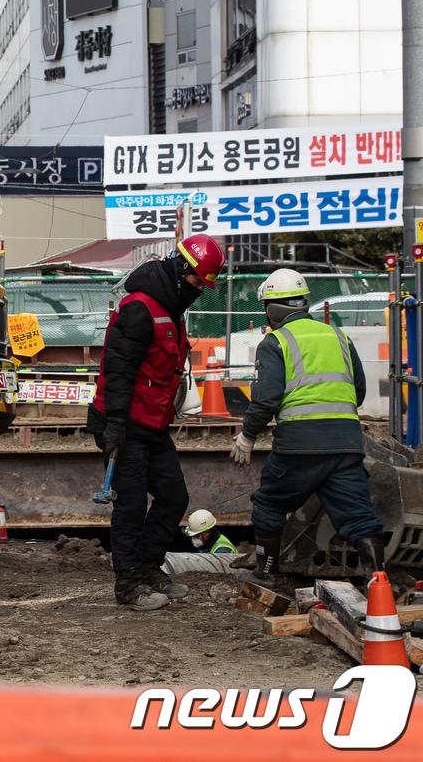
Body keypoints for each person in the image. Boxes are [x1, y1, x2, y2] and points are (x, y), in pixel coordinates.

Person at [88, 233, 225, 610]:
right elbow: (118, 370)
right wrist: (114, 425)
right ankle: (128, 585)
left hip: (150, 424)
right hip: (125, 422)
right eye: (197, 281)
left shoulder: (170, 308)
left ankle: (147, 567)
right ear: (182, 270)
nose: (198, 289)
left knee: (173, 496)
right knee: (130, 505)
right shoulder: (140, 308)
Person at [232, 268, 386, 588]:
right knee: (358, 514)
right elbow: (357, 392)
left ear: (273, 308)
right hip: (346, 441)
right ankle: (379, 579)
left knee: (270, 503)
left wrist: (247, 436)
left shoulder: (275, 342)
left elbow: (266, 400)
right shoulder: (338, 336)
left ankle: (267, 573)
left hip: (300, 444)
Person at [160, 508, 237, 575]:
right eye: (194, 535)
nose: (195, 538)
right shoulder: (207, 544)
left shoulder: (222, 549)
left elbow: (218, 573)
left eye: (198, 535)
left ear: (207, 532)